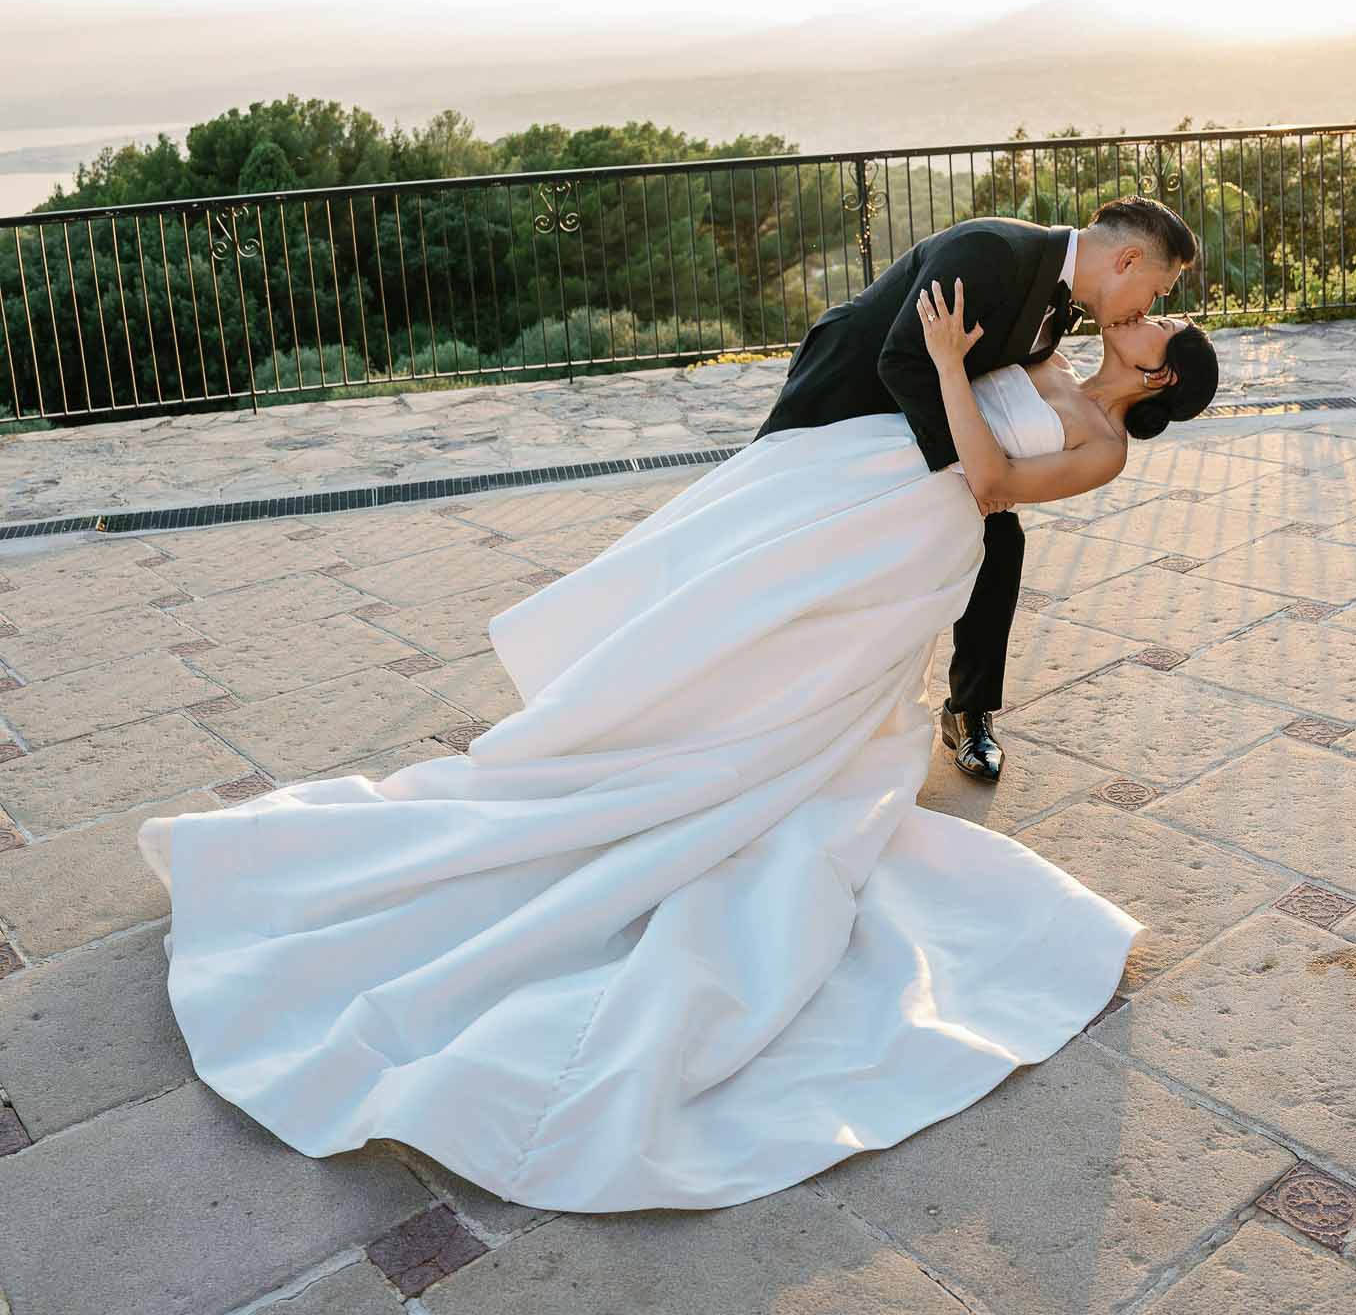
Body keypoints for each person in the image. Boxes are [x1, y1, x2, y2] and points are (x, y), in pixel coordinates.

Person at [137, 233, 1218, 1214]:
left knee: (820, 701)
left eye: (1157, 319)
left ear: (1157, 373)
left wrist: (941, 359)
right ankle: (698, 756)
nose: (1146, 309)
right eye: (1152, 294)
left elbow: (986, 480)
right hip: (879, 510)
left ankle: (745, 783)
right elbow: (978, 361)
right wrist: (946, 350)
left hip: (929, 530)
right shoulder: (1057, 349)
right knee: (764, 661)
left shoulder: (1099, 440)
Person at [756, 194, 1199, 780]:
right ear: (1129, 261)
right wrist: (968, 477)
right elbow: (904, 360)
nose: (1148, 308)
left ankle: (968, 711)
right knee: (772, 541)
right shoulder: (993, 251)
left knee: (1000, 541)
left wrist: (984, 477)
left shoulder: (1059, 306)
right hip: (843, 397)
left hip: (927, 437)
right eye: (1159, 294)